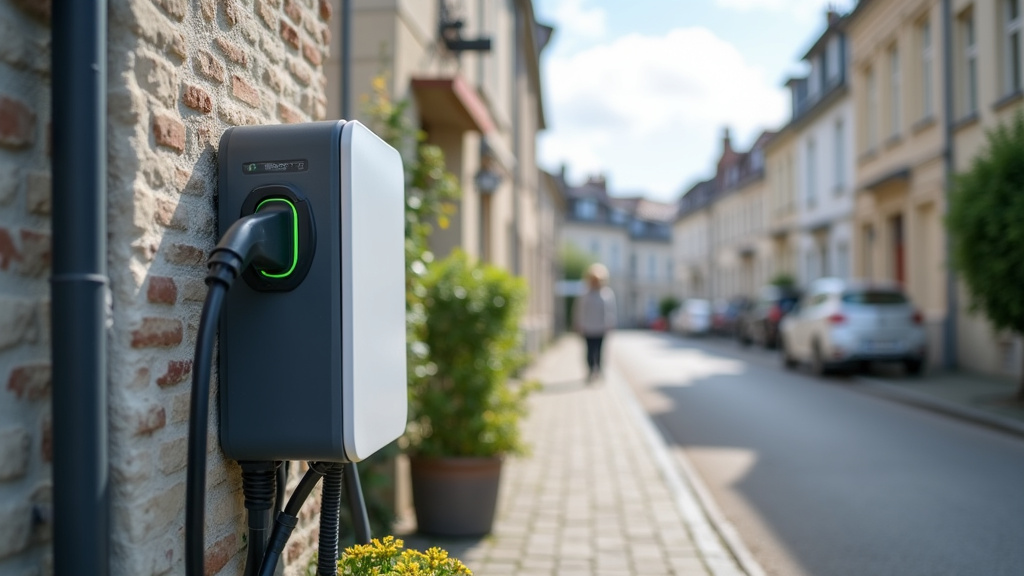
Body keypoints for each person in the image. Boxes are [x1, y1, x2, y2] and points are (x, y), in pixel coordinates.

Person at [572, 263, 617, 382]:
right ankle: (591, 370)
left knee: (600, 351)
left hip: (601, 328)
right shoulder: (585, 293)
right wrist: (578, 324)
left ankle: (600, 370)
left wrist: (610, 324)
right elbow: (579, 310)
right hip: (588, 327)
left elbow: (610, 311)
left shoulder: (607, 293)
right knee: (590, 351)